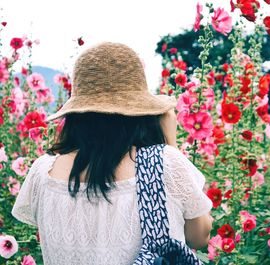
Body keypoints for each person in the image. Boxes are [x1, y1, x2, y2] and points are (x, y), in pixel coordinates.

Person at [11, 42, 213, 265]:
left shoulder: (42, 172)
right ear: (141, 112)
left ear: (76, 114)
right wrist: (169, 146)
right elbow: (199, 236)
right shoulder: (164, 164)